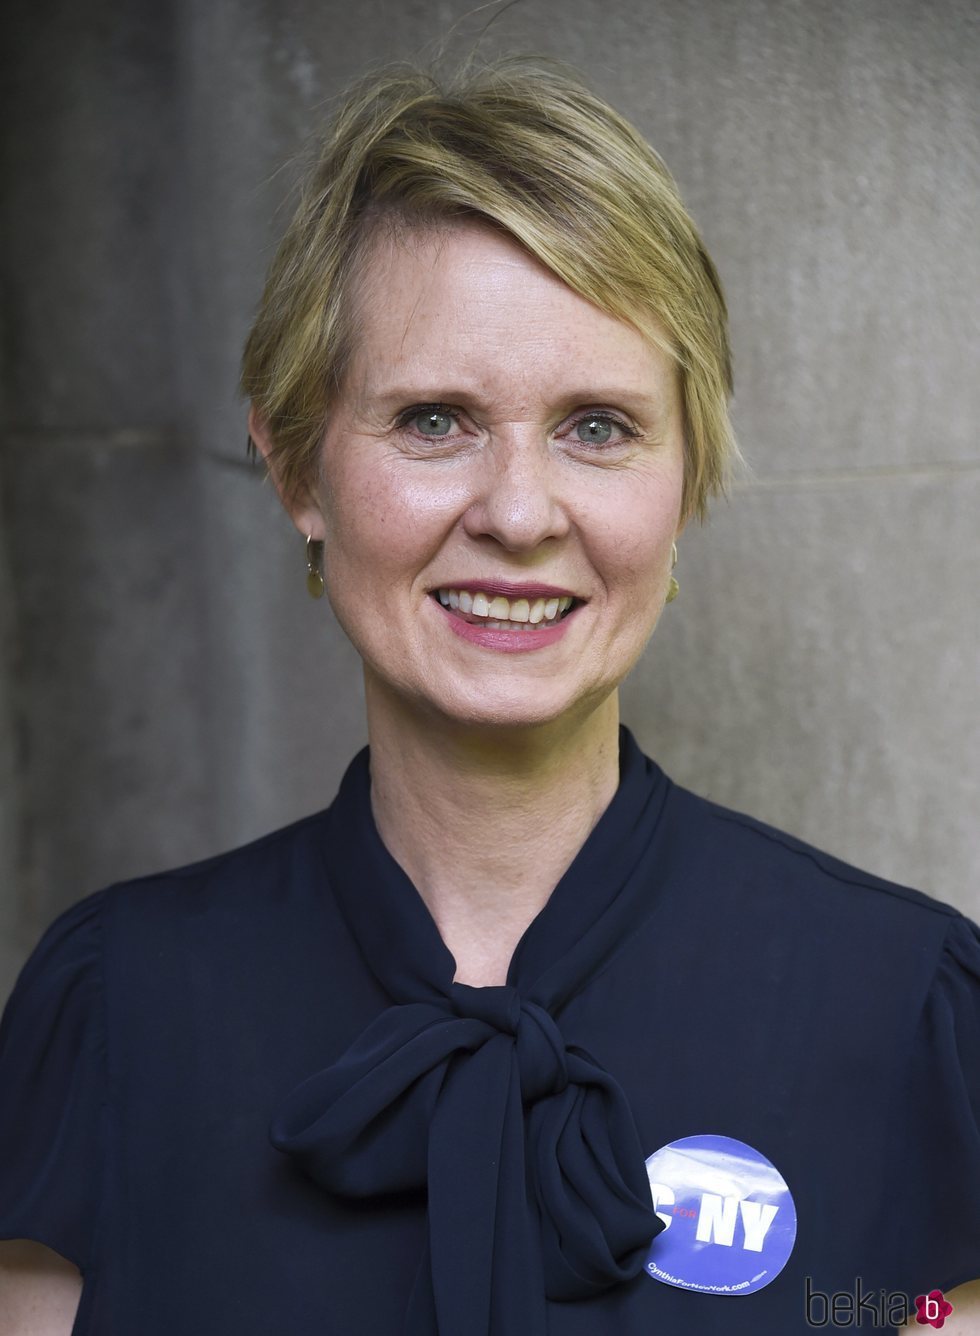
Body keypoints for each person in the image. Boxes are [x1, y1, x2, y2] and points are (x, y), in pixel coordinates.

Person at [1, 54, 978, 1336]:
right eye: (432, 419)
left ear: (684, 477)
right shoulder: (116, 1009)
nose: (517, 513)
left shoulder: (904, 1008)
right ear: (296, 467)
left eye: (596, 426)